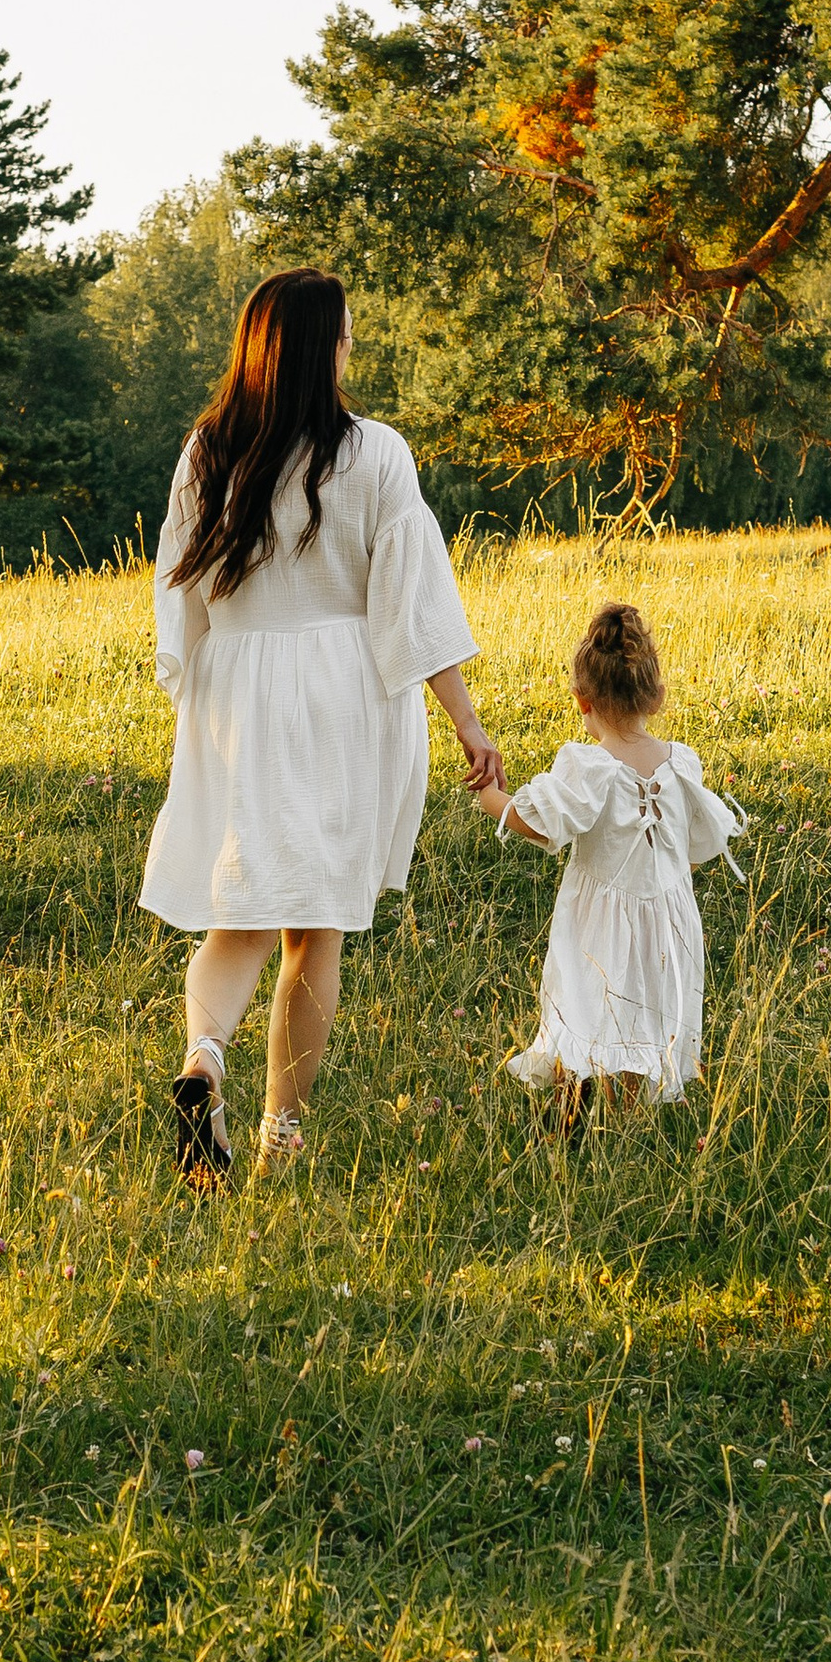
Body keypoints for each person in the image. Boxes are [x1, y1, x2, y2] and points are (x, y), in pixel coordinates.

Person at [140, 267, 496, 1181]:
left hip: (239, 687)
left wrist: (200, 690)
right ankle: (278, 1142)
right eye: (343, 333)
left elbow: (176, 591)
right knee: (313, 933)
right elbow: (410, 604)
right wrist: (465, 721)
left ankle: (204, 1058)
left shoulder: (208, 448)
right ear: (315, 346)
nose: (349, 347)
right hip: (340, 696)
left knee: (241, 915)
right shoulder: (374, 452)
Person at [478, 599, 746, 1117]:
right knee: (646, 1018)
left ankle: (569, 1120)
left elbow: (535, 821)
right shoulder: (681, 763)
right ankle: (624, 1122)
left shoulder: (590, 766)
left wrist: (490, 794)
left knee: (582, 1010)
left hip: (596, 926)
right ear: (659, 697)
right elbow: (695, 846)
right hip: (669, 926)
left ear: (582, 700)